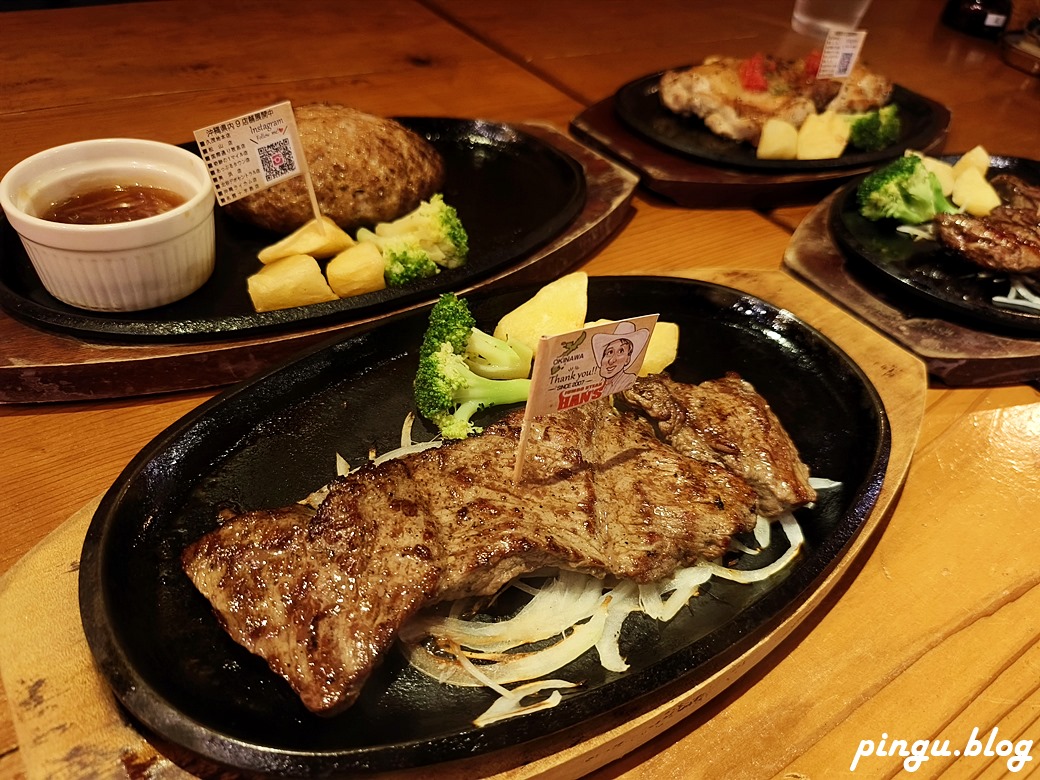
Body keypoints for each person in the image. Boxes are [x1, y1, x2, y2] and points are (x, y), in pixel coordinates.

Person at [590, 320, 651, 397]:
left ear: (627, 359)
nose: (611, 361)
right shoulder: (595, 383)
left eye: (620, 351)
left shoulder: (629, 381)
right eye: (610, 352)